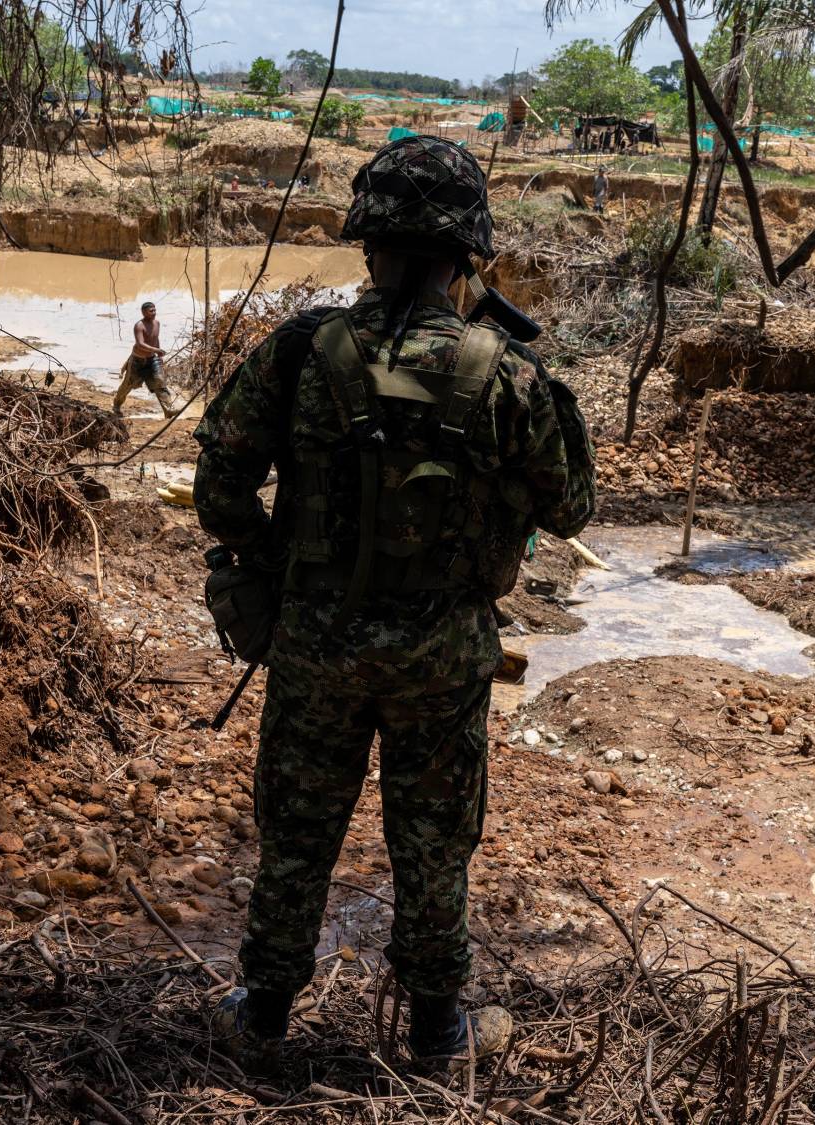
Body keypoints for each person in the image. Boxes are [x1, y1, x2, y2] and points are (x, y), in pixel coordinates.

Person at [194, 135, 596, 1075]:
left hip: (315, 647)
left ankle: (261, 1019)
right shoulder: (507, 372)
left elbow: (219, 480)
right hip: (444, 659)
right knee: (433, 844)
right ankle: (436, 1033)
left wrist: (275, 560)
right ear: (467, 256)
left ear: (368, 244)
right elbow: (570, 504)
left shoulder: (300, 350)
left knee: (296, 833)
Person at [112, 300, 180, 416]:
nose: (154, 312)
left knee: (159, 381)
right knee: (128, 385)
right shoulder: (139, 326)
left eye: (155, 310)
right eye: (151, 311)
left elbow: (155, 339)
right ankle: (117, 405)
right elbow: (140, 344)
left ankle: (168, 409)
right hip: (137, 360)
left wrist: (159, 354)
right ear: (144, 312)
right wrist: (156, 350)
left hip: (152, 359)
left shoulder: (157, 323)